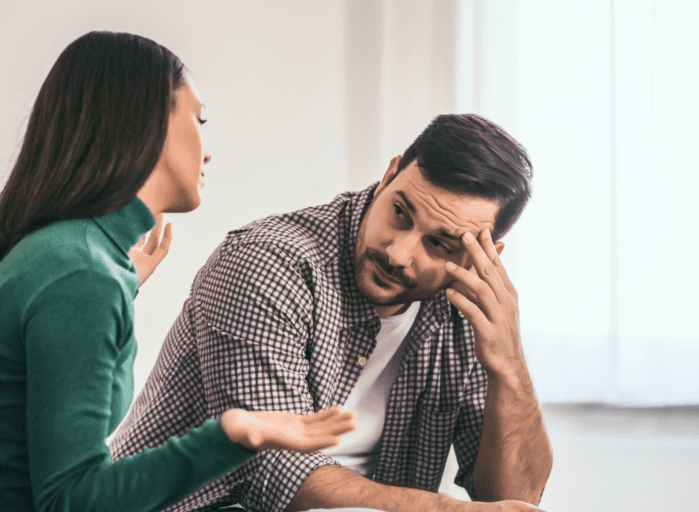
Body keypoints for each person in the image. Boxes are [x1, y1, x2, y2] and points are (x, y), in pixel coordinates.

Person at [0, 31, 356, 512]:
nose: (209, 150)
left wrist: (117, 286)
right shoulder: (79, 274)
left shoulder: (69, 258)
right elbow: (75, 500)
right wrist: (234, 433)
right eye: (199, 119)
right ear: (149, 122)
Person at [108, 113, 553, 512]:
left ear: (483, 259)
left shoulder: (467, 311)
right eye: (400, 213)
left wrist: (509, 364)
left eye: (439, 244)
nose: (398, 253)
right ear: (389, 174)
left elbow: (515, 498)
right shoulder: (268, 263)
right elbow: (274, 474)